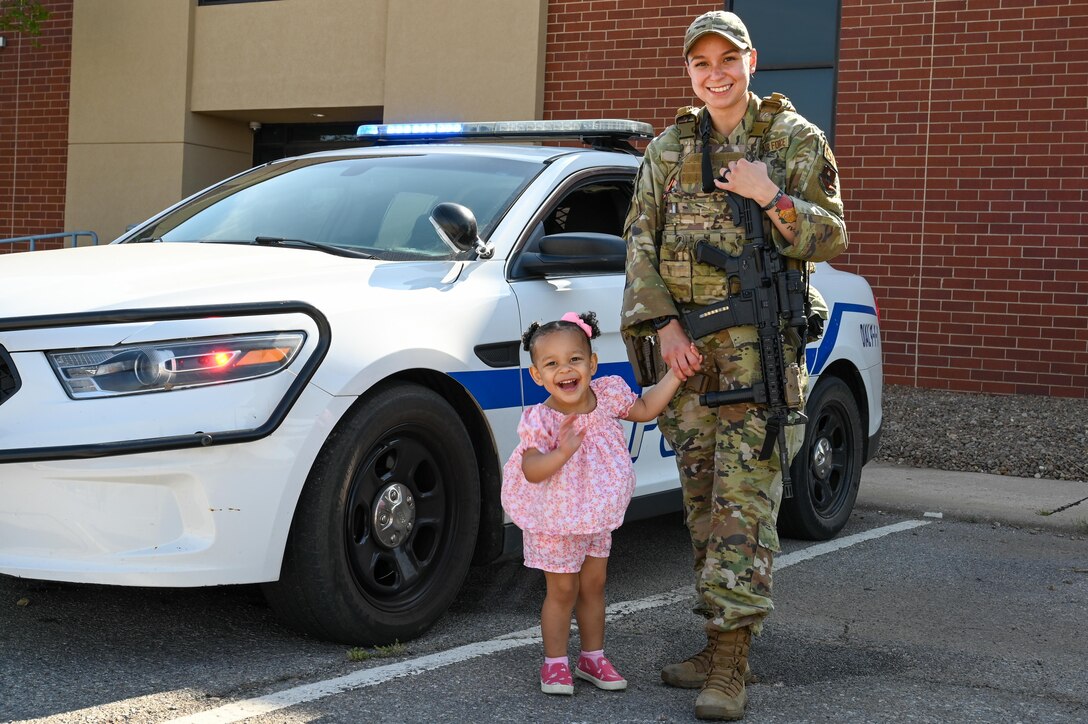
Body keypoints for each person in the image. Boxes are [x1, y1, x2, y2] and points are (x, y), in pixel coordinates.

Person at [620, 9, 848, 721]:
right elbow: (640, 242)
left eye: (727, 59)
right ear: (689, 71)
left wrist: (768, 193)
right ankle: (717, 638)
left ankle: (731, 665)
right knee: (699, 504)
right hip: (689, 360)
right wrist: (664, 325)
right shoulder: (667, 149)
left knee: (742, 512)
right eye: (700, 63)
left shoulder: (793, 140)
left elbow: (833, 234)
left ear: (752, 61)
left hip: (760, 359)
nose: (713, 74)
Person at [502, 311, 700, 696]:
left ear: (592, 363)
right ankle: (555, 662)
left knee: (594, 585)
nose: (566, 370)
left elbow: (644, 410)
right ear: (537, 375)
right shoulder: (541, 419)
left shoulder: (607, 396)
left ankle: (592, 657)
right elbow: (531, 469)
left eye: (575, 359)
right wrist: (561, 452)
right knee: (562, 591)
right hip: (555, 521)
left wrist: (675, 374)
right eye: (552, 363)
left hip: (596, 517)